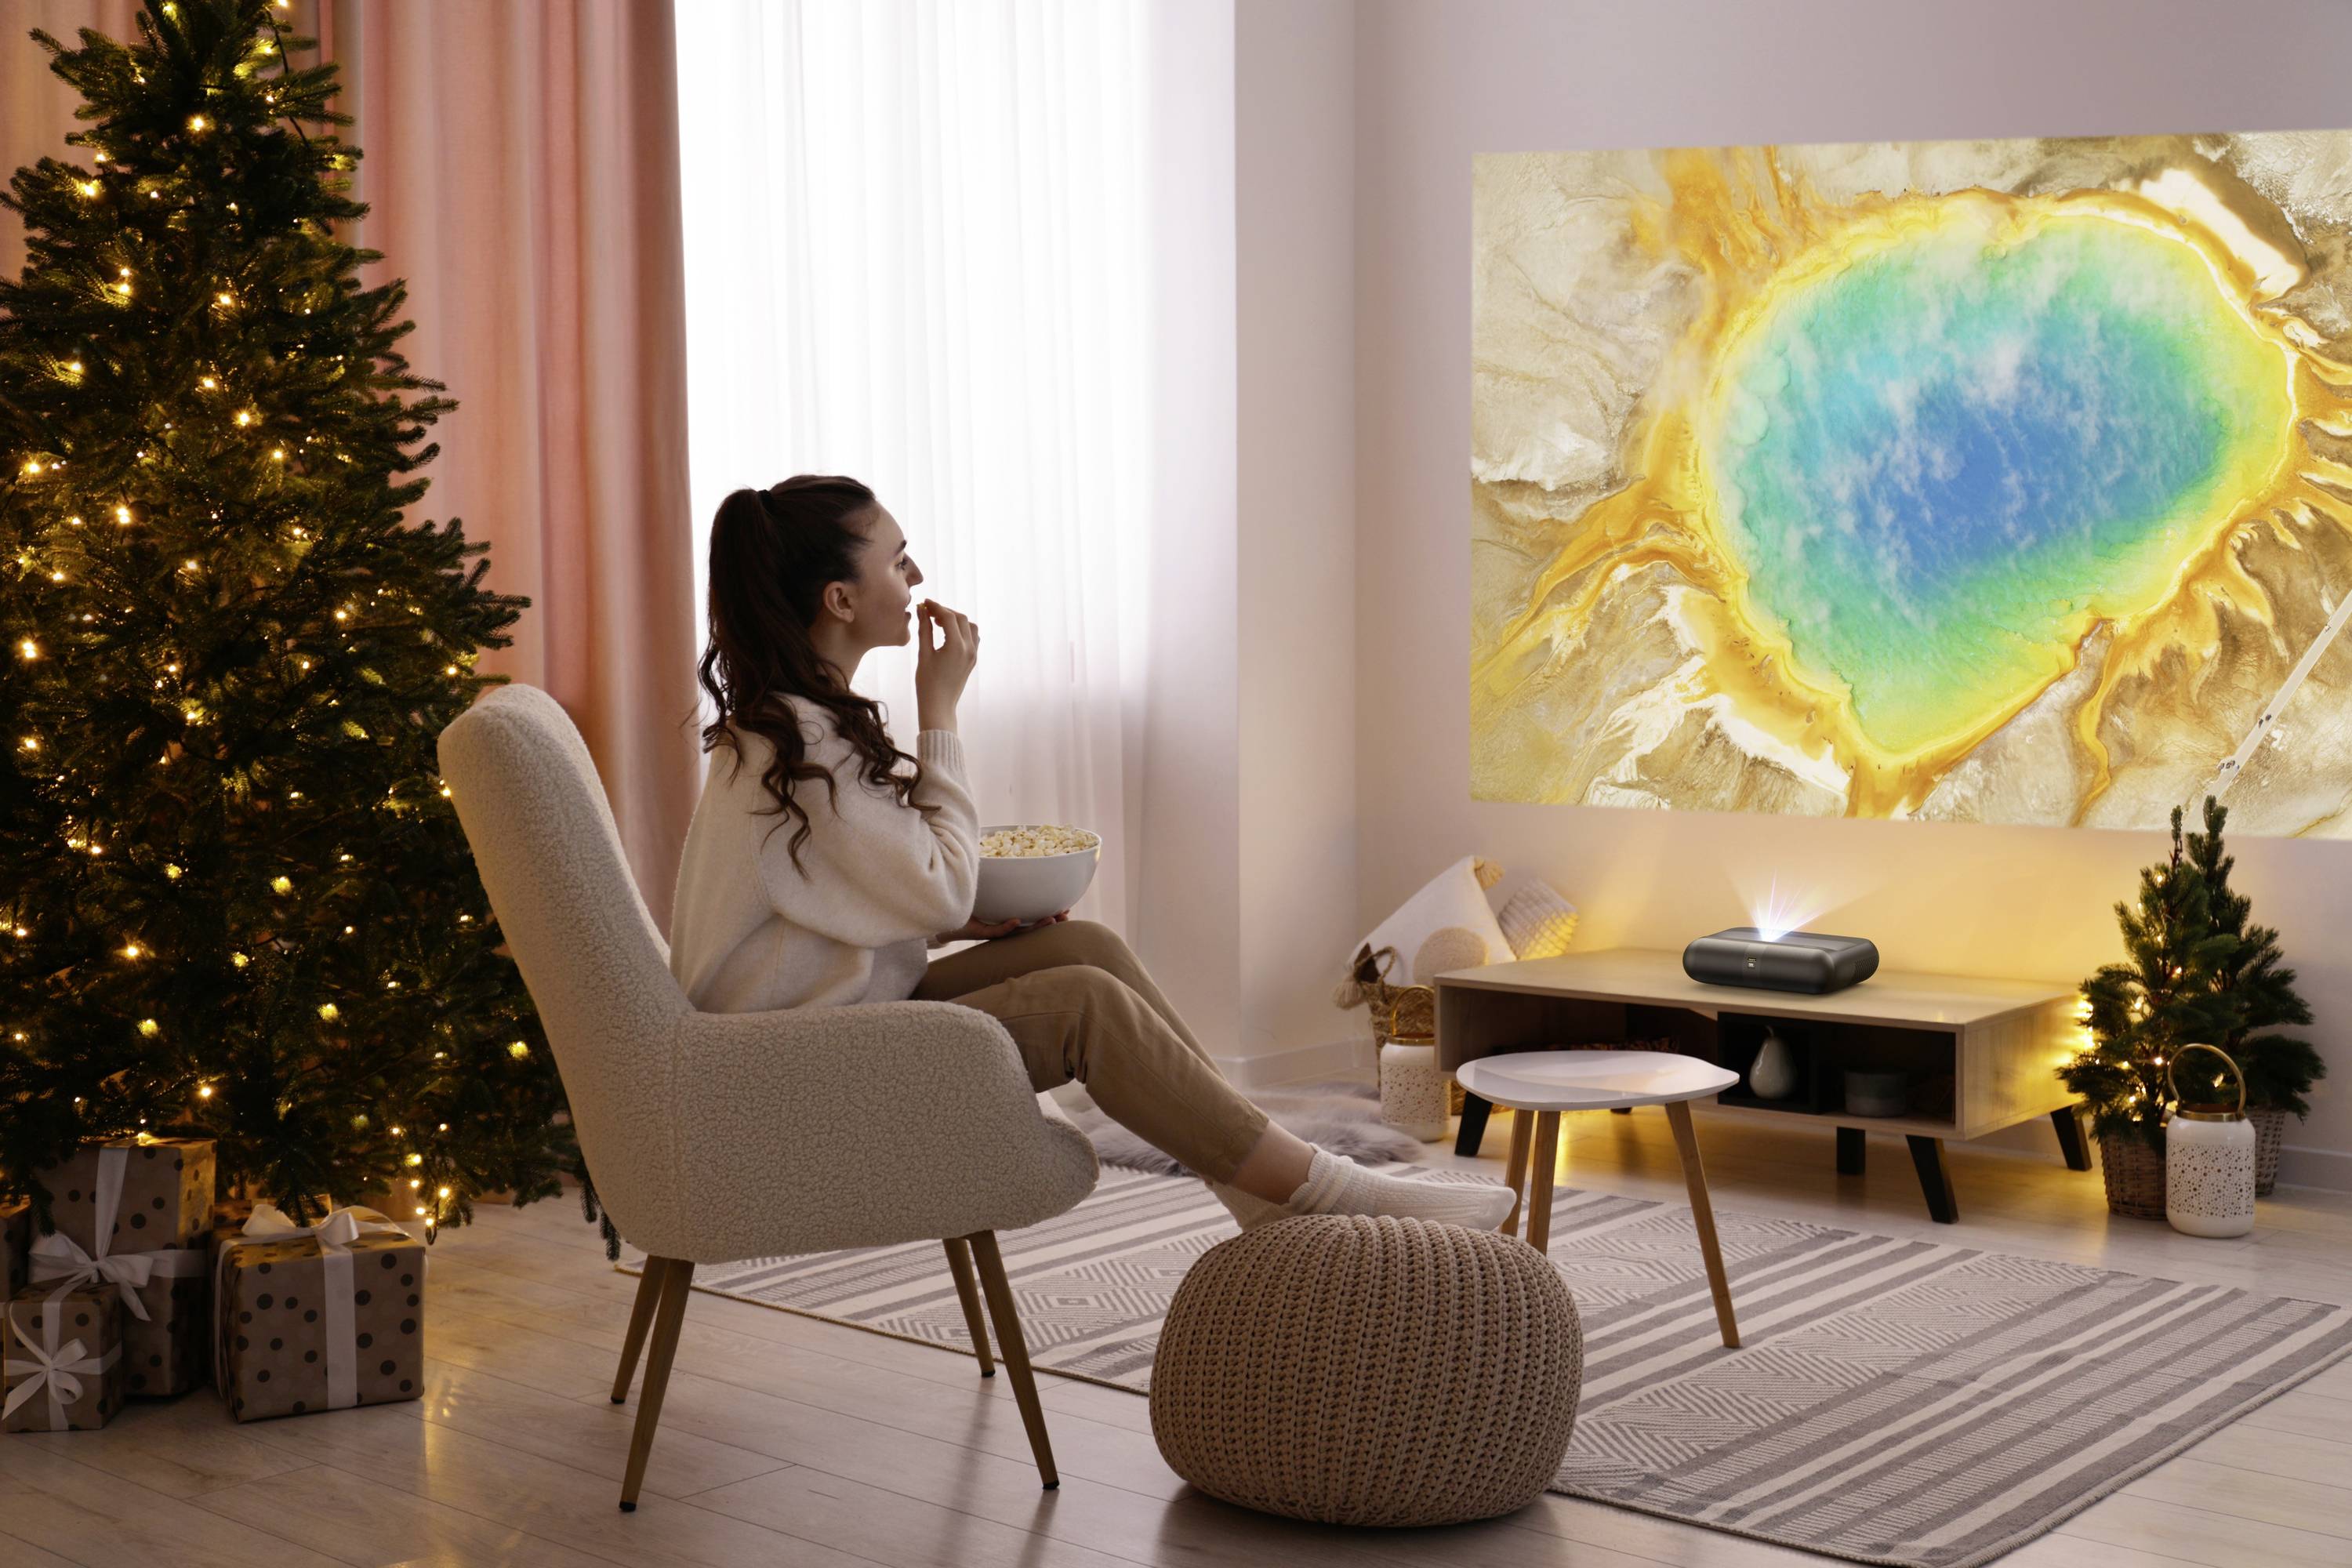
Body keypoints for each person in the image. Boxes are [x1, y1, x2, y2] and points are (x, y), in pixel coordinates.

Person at [666, 474, 1515, 1232]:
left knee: (1086, 946)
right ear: (840, 600)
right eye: (899, 559)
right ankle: (1322, 1191)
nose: (916, 577)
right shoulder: (799, 750)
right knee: (1081, 1002)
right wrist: (942, 711)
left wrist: (963, 920)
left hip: (827, 1023)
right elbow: (935, 884)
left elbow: (847, 908)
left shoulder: (792, 729)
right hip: (791, 1072)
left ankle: (1264, 1186)